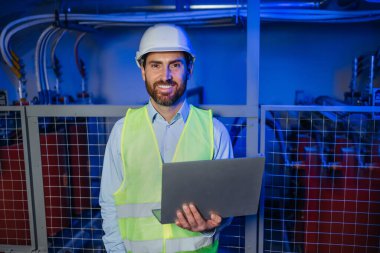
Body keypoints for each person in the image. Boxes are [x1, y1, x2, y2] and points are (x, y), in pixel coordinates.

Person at [99, 23, 233, 253]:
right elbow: (110, 205)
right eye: (155, 65)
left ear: (189, 69)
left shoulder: (215, 131)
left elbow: (227, 209)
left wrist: (208, 228)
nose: (166, 76)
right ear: (142, 69)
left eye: (175, 65)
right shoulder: (122, 132)